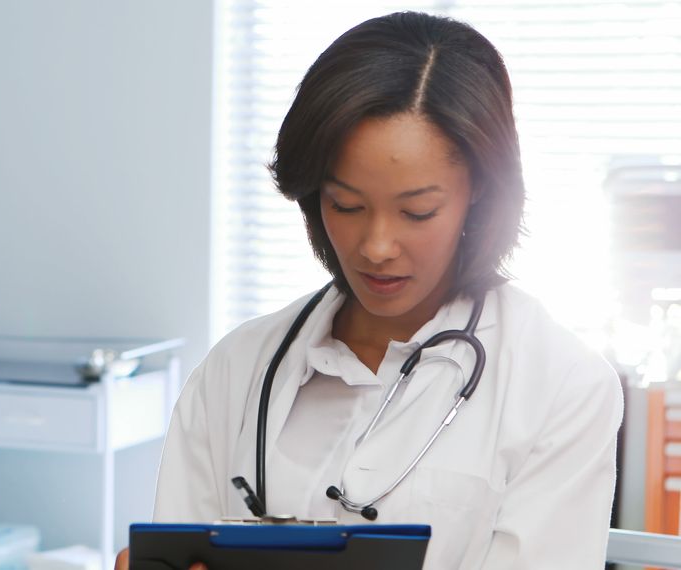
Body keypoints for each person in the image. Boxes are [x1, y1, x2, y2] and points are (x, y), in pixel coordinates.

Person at [116, 10, 623, 570]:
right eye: (346, 205)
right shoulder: (234, 371)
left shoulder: (562, 384)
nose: (377, 245)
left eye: (417, 210)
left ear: (479, 190)